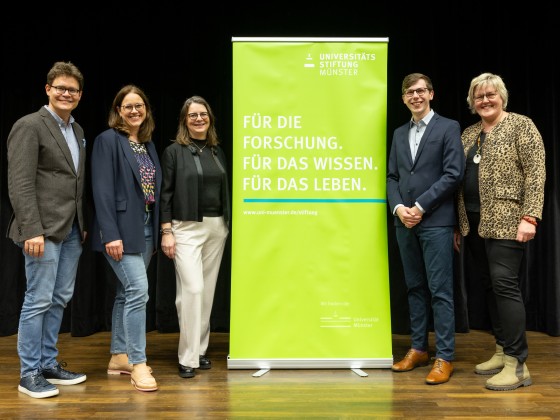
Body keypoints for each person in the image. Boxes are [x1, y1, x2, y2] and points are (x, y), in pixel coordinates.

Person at [453, 73, 545, 391]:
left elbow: (536, 173)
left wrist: (530, 216)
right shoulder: (469, 134)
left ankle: (517, 364)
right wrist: (457, 224)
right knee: (490, 287)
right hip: (473, 222)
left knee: (505, 286)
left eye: (490, 94)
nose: (485, 100)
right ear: (472, 101)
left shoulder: (521, 125)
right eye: (478, 96)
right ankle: (502, 350)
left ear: (502, 96)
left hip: (508, 219)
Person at [6, 61, 88, 399]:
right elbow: (20, 182)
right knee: (38, 300)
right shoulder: (29, 125)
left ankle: (48, 363)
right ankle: (29, 373)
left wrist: (81, 223)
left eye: (73, 90)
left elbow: (74, 181)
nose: (67, 93)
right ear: (48, 89)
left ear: (80, 95)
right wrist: (31, 230)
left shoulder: (77, 131)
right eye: (61, 88)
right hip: (42, 230)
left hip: (72, 230)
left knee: (59, 298)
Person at [387, 73, 465, 385]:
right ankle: (418, 349)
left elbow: (453, 174)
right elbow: (392, 177)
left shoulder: (448, 127)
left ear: (431, 94)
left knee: (440, 291)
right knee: (414, 288)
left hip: (435, 222)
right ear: (403, 98)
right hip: (404, 222)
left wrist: (419, 207)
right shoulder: (398, 133)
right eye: (410, 92)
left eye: (421, 91)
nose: (415, 96)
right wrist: (398, 208)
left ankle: (444, 356)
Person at [90, 85, 161, 392]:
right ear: (118, 110)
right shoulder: (107, 140)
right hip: (119, 229)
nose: (134, 111)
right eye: (128, 106)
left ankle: (119, 356)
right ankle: (138, 363)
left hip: (145, 227)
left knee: (125, 292)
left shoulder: (147, 144)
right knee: (137, 291)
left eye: (139, 106)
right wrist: (110, 234)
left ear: (146, 110)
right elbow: (102, 189)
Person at [160, 95, 230, 379]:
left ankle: (199, 350)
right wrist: (167, 231)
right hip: (185, 228)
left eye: (203, 114)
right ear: (184, 120)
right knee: (192, 290)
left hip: (217, 227)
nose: (199, 119)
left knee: (207, 292)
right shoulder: (173, 152)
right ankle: (187, 357)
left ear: (209, 118)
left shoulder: (217, 151)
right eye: (193, 115)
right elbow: (165, 194)